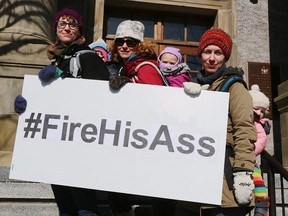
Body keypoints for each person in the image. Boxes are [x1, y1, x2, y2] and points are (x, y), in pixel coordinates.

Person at [15, 8, 109, 216]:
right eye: (62, 24)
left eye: (72, 24)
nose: (67, 28)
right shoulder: (57, 60)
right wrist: (28, 104)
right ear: (55, 30)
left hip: (80, 144)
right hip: (57, 147)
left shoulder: (87, 57)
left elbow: (102, 100)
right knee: (65, 207)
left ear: (79, 30)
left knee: (84, 208)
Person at [178, 28, 257, 216]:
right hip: (192, 184)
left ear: (225, 57)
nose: (212, 58)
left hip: (224, 183)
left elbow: (245, 130)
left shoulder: (235, 87)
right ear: (200, 55)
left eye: (218, 53)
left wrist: (243, 173)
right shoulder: (196, 86)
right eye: (207, 52)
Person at [107, 20, 174, 216]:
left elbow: (156, 104)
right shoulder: (125, 67)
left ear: (140, 45)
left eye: (131, 42)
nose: (125, 46)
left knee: (158, 192)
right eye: (120, 42)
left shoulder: (145, 67)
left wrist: (130, 88)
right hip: (133, 137)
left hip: (148, 138)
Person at [249, 84, 270, 216]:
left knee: (259, 184)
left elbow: (262, 139)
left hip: (251, 159)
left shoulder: (258, 124)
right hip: (240, 159)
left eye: (262, 111)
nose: (259, 113)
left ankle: (262, 209)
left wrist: (254, 148)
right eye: (256, 109)